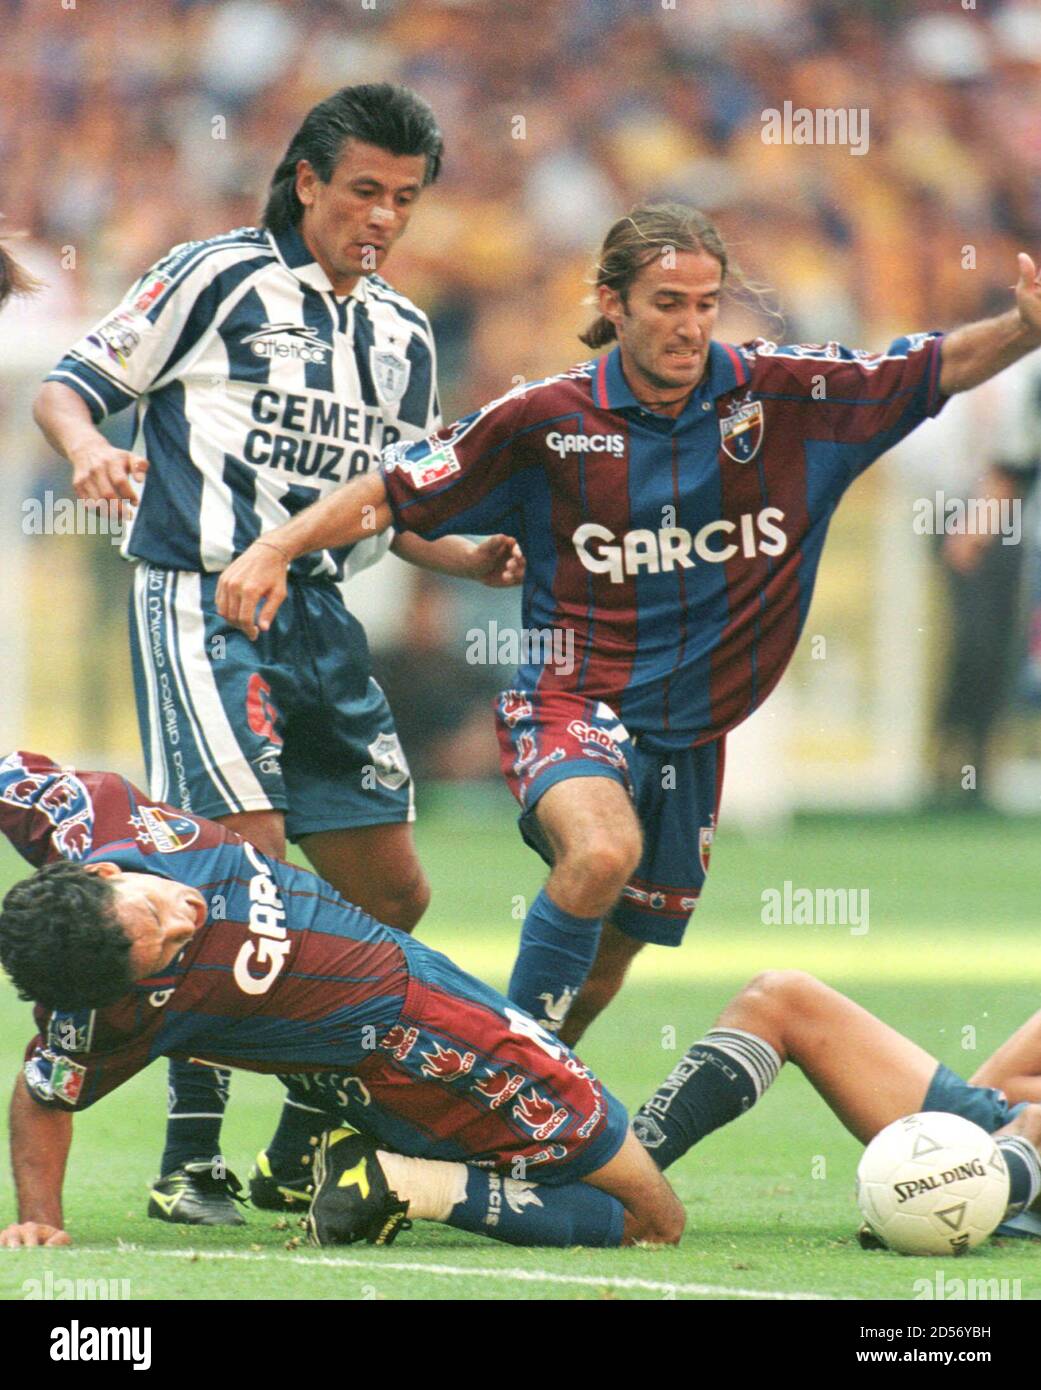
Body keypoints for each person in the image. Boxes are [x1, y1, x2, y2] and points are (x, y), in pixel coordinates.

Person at [213, 203, 1041, 1045]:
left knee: (610, 960)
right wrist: (276, 546)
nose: (689, 325)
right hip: (571, 701)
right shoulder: (543, 417)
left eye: (704, 303)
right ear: (612, 304)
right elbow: (391, 491)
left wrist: (1022, 325)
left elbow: (934, 367)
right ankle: (502, 1083)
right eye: (666, 303)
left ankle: (517, 1113)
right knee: (601, 854)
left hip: (693, 734)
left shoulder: (786, 396)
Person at [30, 82, 523, 1227]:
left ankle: (300, 1130)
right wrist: (89, 450)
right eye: (363, 191)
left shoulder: (400, 333)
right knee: (238, 879)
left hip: (318, 619)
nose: (383, 217)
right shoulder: (214, 275)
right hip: (202, 601)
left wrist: (469, 556)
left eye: (404, 198)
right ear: (306, 181)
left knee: (393, 888)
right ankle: (188, 1158)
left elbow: (392, 510)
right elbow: (71, 384)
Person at [0, 751, 1039, 1251]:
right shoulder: (110, 1013)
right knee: (650, 1222)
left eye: (158, 909)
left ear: (98, 873)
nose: (182, 916)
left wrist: (968, 1146)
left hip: (439, 1012)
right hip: (428, 1055)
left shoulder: (86, 810)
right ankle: (413, 1181)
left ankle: (991, 1167)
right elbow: (45, 1091)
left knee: (780, 999)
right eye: (164, 949)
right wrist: (37, 1221)